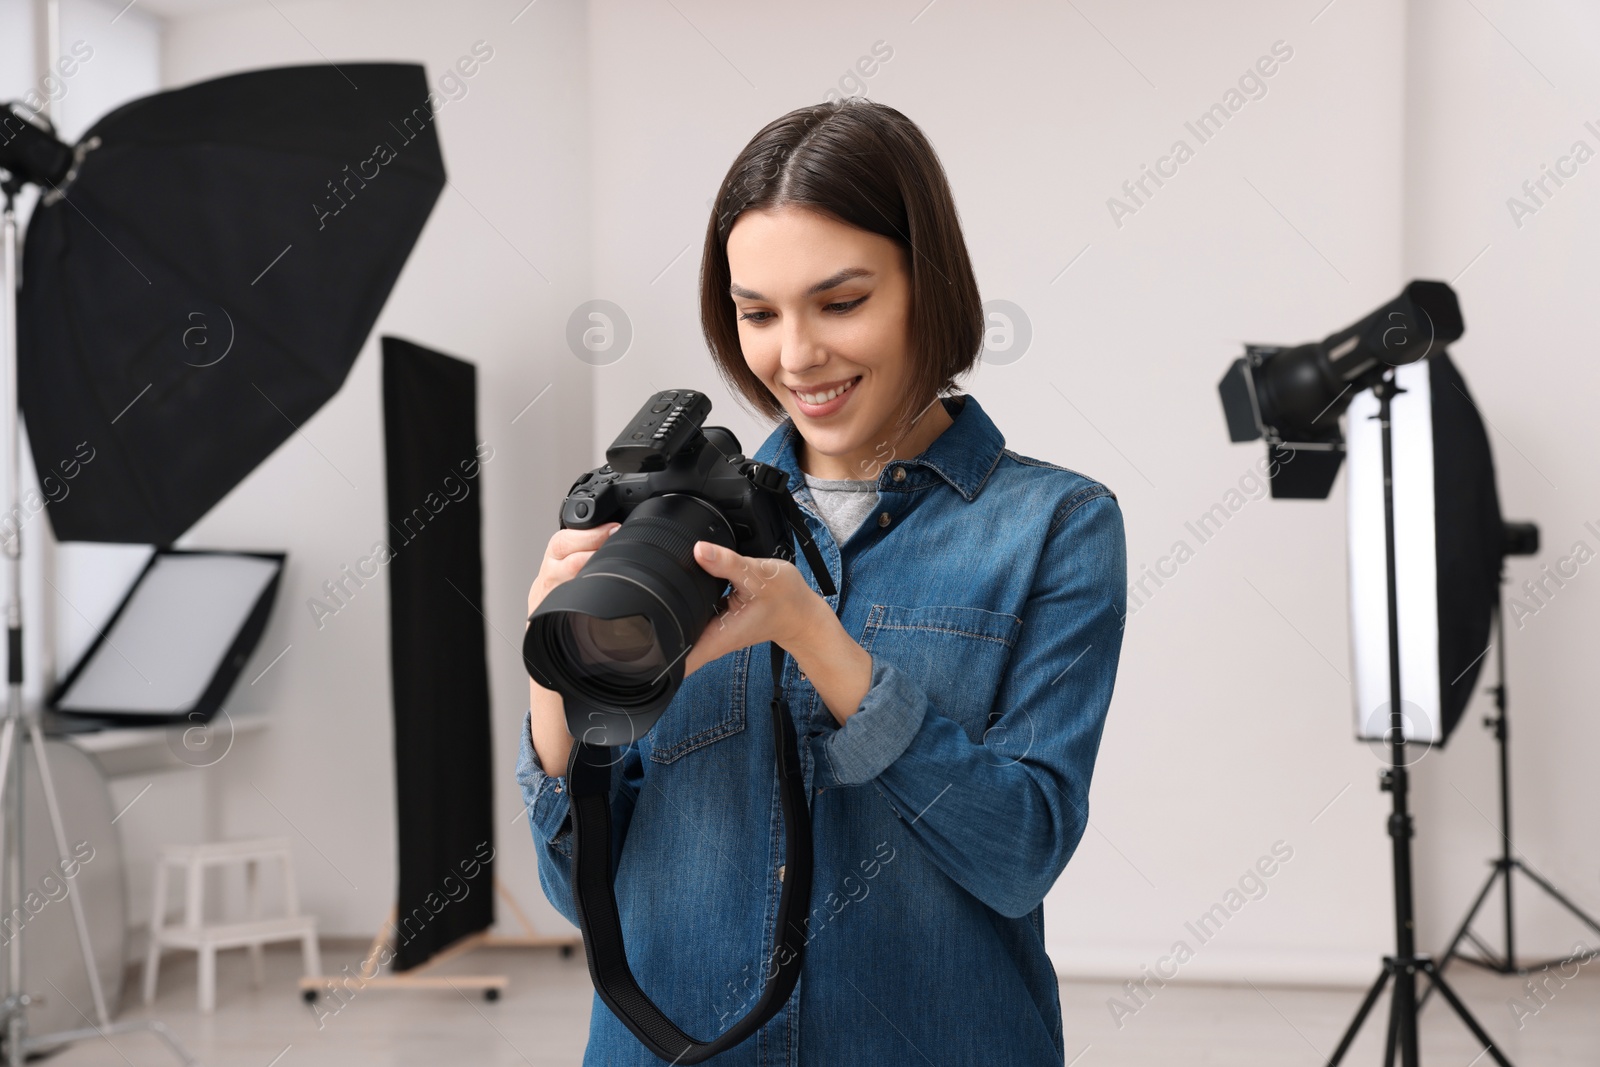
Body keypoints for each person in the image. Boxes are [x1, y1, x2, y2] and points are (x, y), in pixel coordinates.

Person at [518, 98, 1126, 1066]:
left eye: (840, 302)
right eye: (757, 313)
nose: (795, 356)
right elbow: (579, 891)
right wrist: (560, 683)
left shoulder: (1054, 525)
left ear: (928, 286)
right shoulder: (663, 536)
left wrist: (820, 641)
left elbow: (1019, 853)